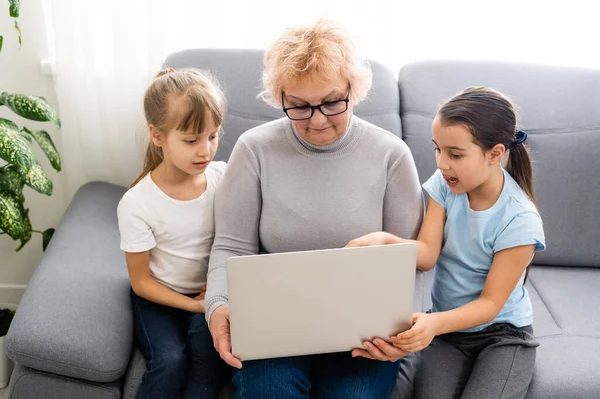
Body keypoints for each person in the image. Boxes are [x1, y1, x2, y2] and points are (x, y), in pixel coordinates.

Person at [204, 20, 424, 398]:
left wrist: (406, 329)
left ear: (354, 90)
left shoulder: (391, 156)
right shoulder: (254, 149)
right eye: (300, 107)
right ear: (281, 97)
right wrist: (218, 306)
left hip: (365, 333)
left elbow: (412, 262)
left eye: (332, 102)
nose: (318, 119)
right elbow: (231, 247)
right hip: (274, 325)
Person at [349, 87, 545, 399]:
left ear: (495, 153)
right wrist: (386, 241)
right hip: (450, 333)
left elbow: (490, 305)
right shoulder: (445, 185)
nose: (442, 163)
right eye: (437, 150)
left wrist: (433, 324)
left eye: (455, 154)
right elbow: (427, 255)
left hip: (504, 336)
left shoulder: (520, 218)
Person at [117, 68, 229, 399]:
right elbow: (141, 283)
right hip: (158, 298)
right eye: (192, 140)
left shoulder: (223, 178)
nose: (205, 151)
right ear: (158, 136)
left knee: (205, 358)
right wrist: (192, 307)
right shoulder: (137, 203)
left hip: (210, 294)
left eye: (213, 136)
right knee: (169, 360)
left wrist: (215, 294)